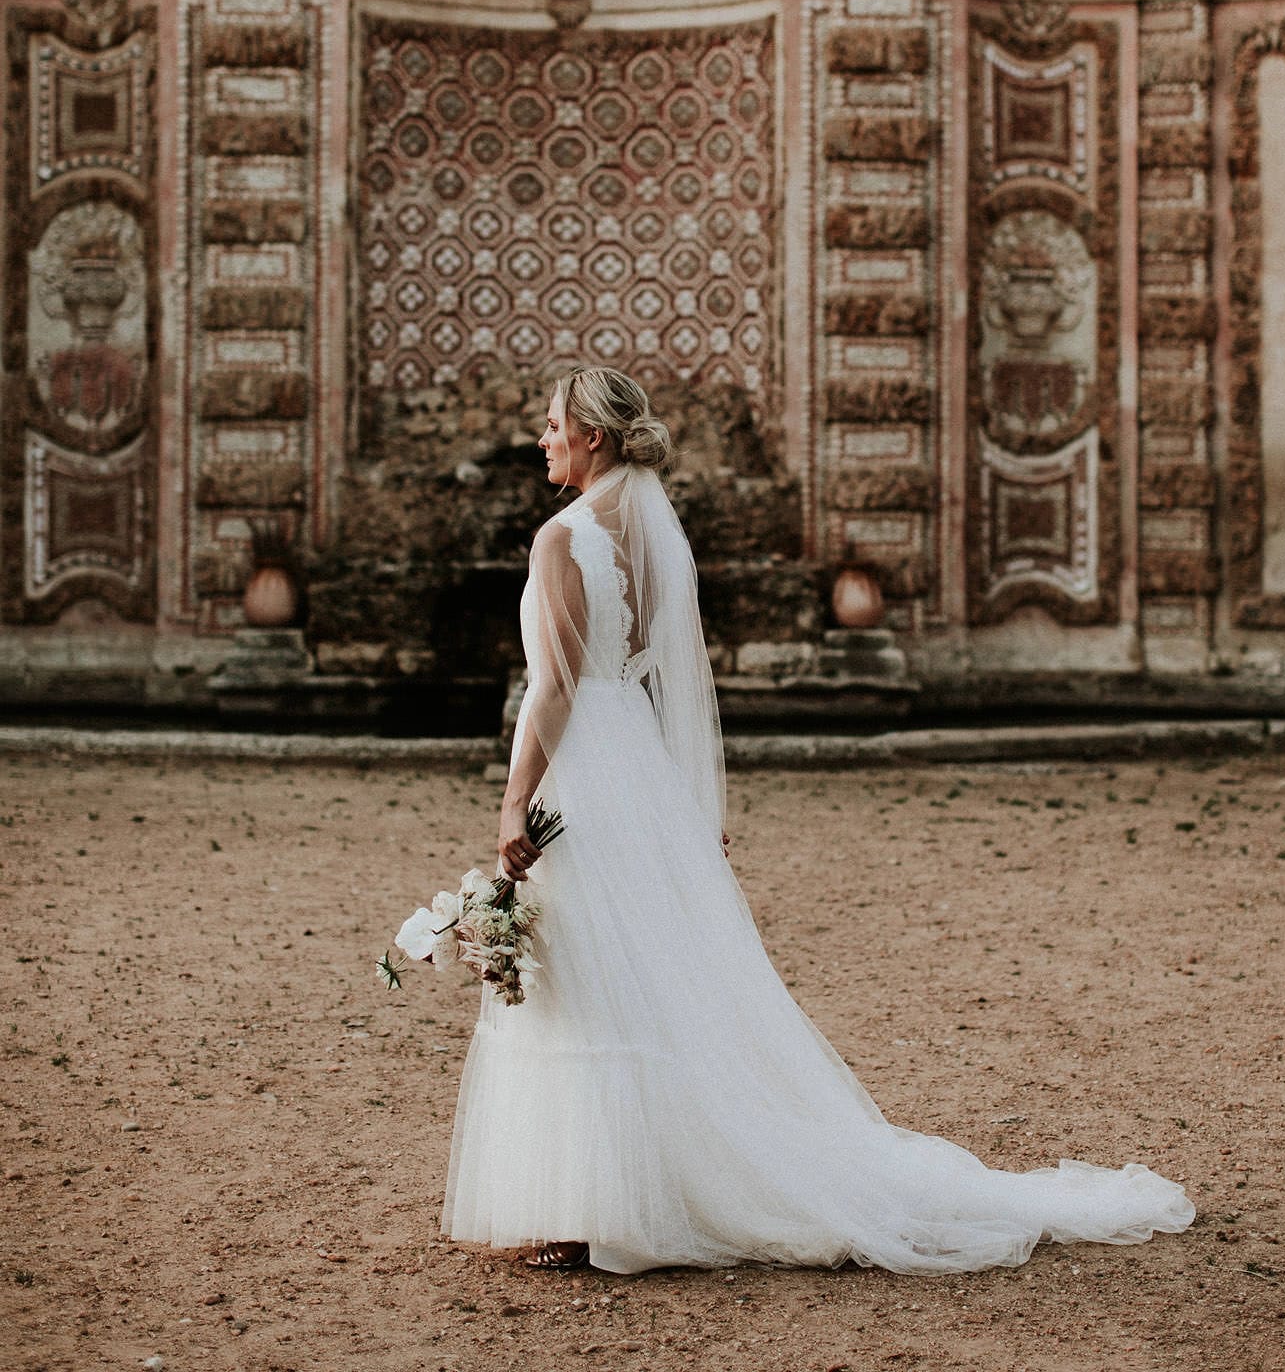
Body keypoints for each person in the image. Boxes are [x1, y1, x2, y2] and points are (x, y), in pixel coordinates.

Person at [441, 366, 1195, 1274]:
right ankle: (630, 1191)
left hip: (585, 768)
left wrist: (513, 798)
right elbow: (655, 675)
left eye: (552, 423)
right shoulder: (650, 537)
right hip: (635, 763)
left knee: (584, 968)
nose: (542, 438)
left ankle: (589, 1205)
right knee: (639, 965)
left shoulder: (562, 537)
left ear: (591, 436)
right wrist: (681, 801)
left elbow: (558, 686)